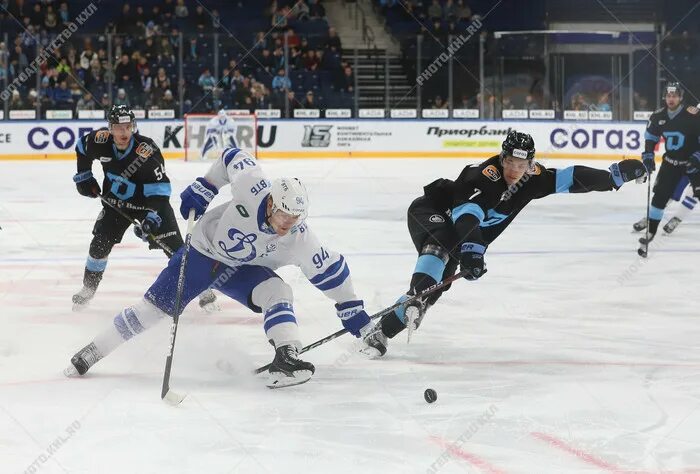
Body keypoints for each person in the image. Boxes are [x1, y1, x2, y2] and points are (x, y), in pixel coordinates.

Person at [65, 148, 384, 388]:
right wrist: (206, 185)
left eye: (295, 218)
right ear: (271, 202)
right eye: (284, 214)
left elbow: (331, 272)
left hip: (240, 269)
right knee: (151, 311)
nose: (287, 223)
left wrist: (354, 313)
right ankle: (94, 350)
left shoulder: (299, 238)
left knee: (278, 290)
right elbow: (232, 156)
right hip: (200, 256)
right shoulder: (252, 186)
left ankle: (286, 356)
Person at [363, 131, 647, 351]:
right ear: (501, 158)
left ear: (530, 164)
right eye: (509, 162)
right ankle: (417, 294)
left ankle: (381, 332)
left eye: (521, 164)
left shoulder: (533, 179)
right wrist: (473, 251)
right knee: (441, 248)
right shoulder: (482, 177)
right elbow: (466, 220)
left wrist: (613, 177)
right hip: (430, 213)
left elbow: (571, 178)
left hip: (460, 236)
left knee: (436, 289)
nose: (513, 170)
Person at [71, 105, 218, 311]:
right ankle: (88, 289)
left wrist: (151, 218)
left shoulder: (146, 151)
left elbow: (160, 191)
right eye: (119, 127)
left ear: (134, 126)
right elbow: (81, 148)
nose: (124, 132)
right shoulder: (98, 140)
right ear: (110, 128)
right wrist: (84, 175)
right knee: (99, 244)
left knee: (175, 249)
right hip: (116, 204)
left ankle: (204, 290)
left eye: (128, 127)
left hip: (151, 205)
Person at [632, 83, 700, 256]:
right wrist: (648, 155)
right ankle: (652, 224)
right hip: (672, 163)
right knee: (666, 194)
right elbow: (651, 137)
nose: (671, 99)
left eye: (674, 96)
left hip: (694, 163)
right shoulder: (659, 116)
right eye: (668, 96)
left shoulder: (693, 115)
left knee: (695, 192)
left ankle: (678, 217)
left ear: (680, 97)